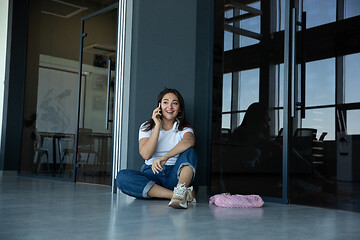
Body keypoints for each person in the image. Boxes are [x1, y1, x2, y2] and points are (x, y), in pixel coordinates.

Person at [116, 88, 198, 209]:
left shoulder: (184, 129)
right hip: (153, 174)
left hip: (176, 176)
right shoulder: (146, 127)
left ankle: (180, 190)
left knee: (190, 151)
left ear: (180, 108)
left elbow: (189, 141)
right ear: (159, 106)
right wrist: (157, 126)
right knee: (122, 177)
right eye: (165, 102)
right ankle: (178, 196)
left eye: (174, 103)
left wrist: (164, 157)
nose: (169, 106)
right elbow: (146, 154)